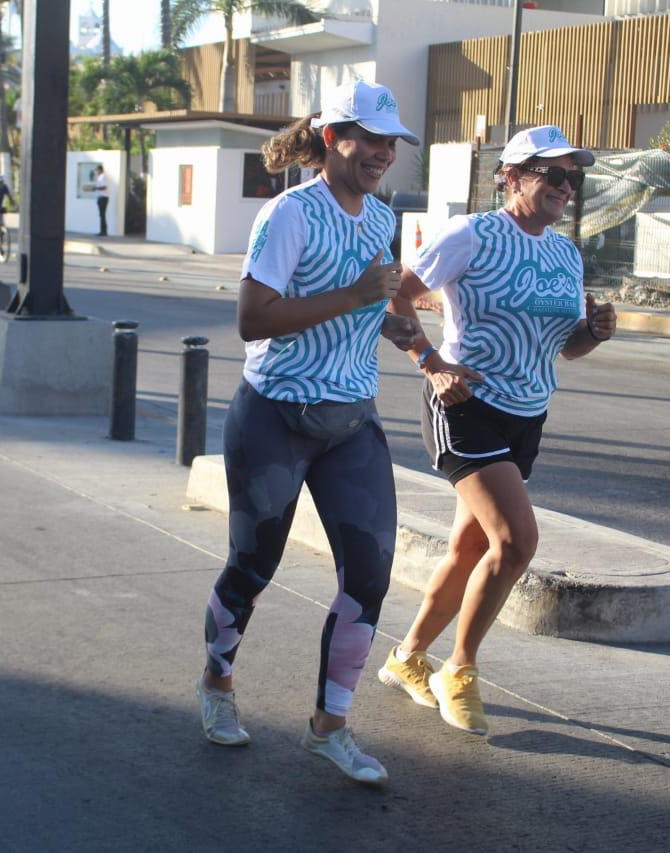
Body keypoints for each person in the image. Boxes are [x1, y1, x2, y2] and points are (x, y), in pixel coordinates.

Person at [195, 80, 423, 787]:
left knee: (370, 577)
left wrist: (391, 324)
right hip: (277, 416)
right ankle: (218, 682)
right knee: (252, 566)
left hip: (352, 420)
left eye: (392, 142)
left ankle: (330, 726)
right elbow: (254, 318)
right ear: (332, 138)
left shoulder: (380, 217)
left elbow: (354, 311)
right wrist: (357, 296)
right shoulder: (289, 214)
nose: (383, 153)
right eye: (370, 139)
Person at [376, 125, 616, 736]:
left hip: (528, 412)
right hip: (466, 405)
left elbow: (566, 348)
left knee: (471, 549)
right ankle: (459, 668)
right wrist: (432, 366)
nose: (565, 186)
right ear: (509, 177)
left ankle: (405, 659)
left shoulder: (565, 252)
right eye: (550, 174)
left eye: (573, 177)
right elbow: (395, 300)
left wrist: (596, 331)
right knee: (515, 542)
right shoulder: (473, 234)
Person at [92, 164, 110, 236]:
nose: (96, 172)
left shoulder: (102, 177)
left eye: (97, 170)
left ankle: (103, 231)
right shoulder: (101, 177)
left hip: (103, 197)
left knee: (102, 215)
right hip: (102, 197)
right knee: (102, 215)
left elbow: (104, 187)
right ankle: (103, 231)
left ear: (100, 170)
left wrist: (96, 188)